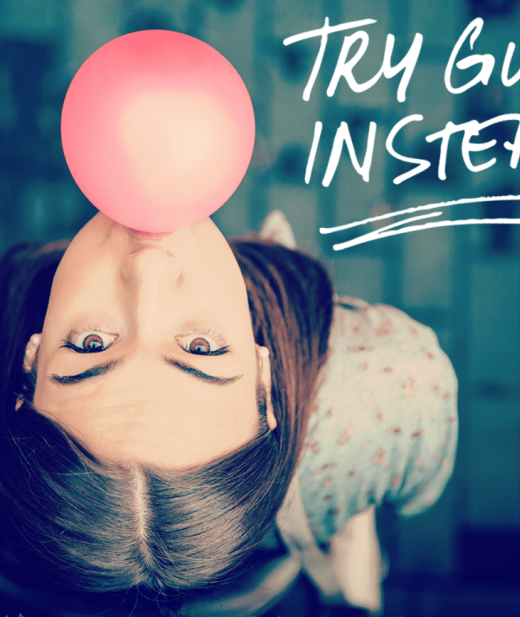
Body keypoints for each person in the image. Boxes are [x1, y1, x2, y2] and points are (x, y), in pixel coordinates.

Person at [0, 210, 457, 613]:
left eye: (91, 345)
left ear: (30, 364)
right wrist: (356, 467)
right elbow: (417, 493)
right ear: (266, 378)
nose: (149, 268)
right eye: (202, 349)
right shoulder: (392, 393)